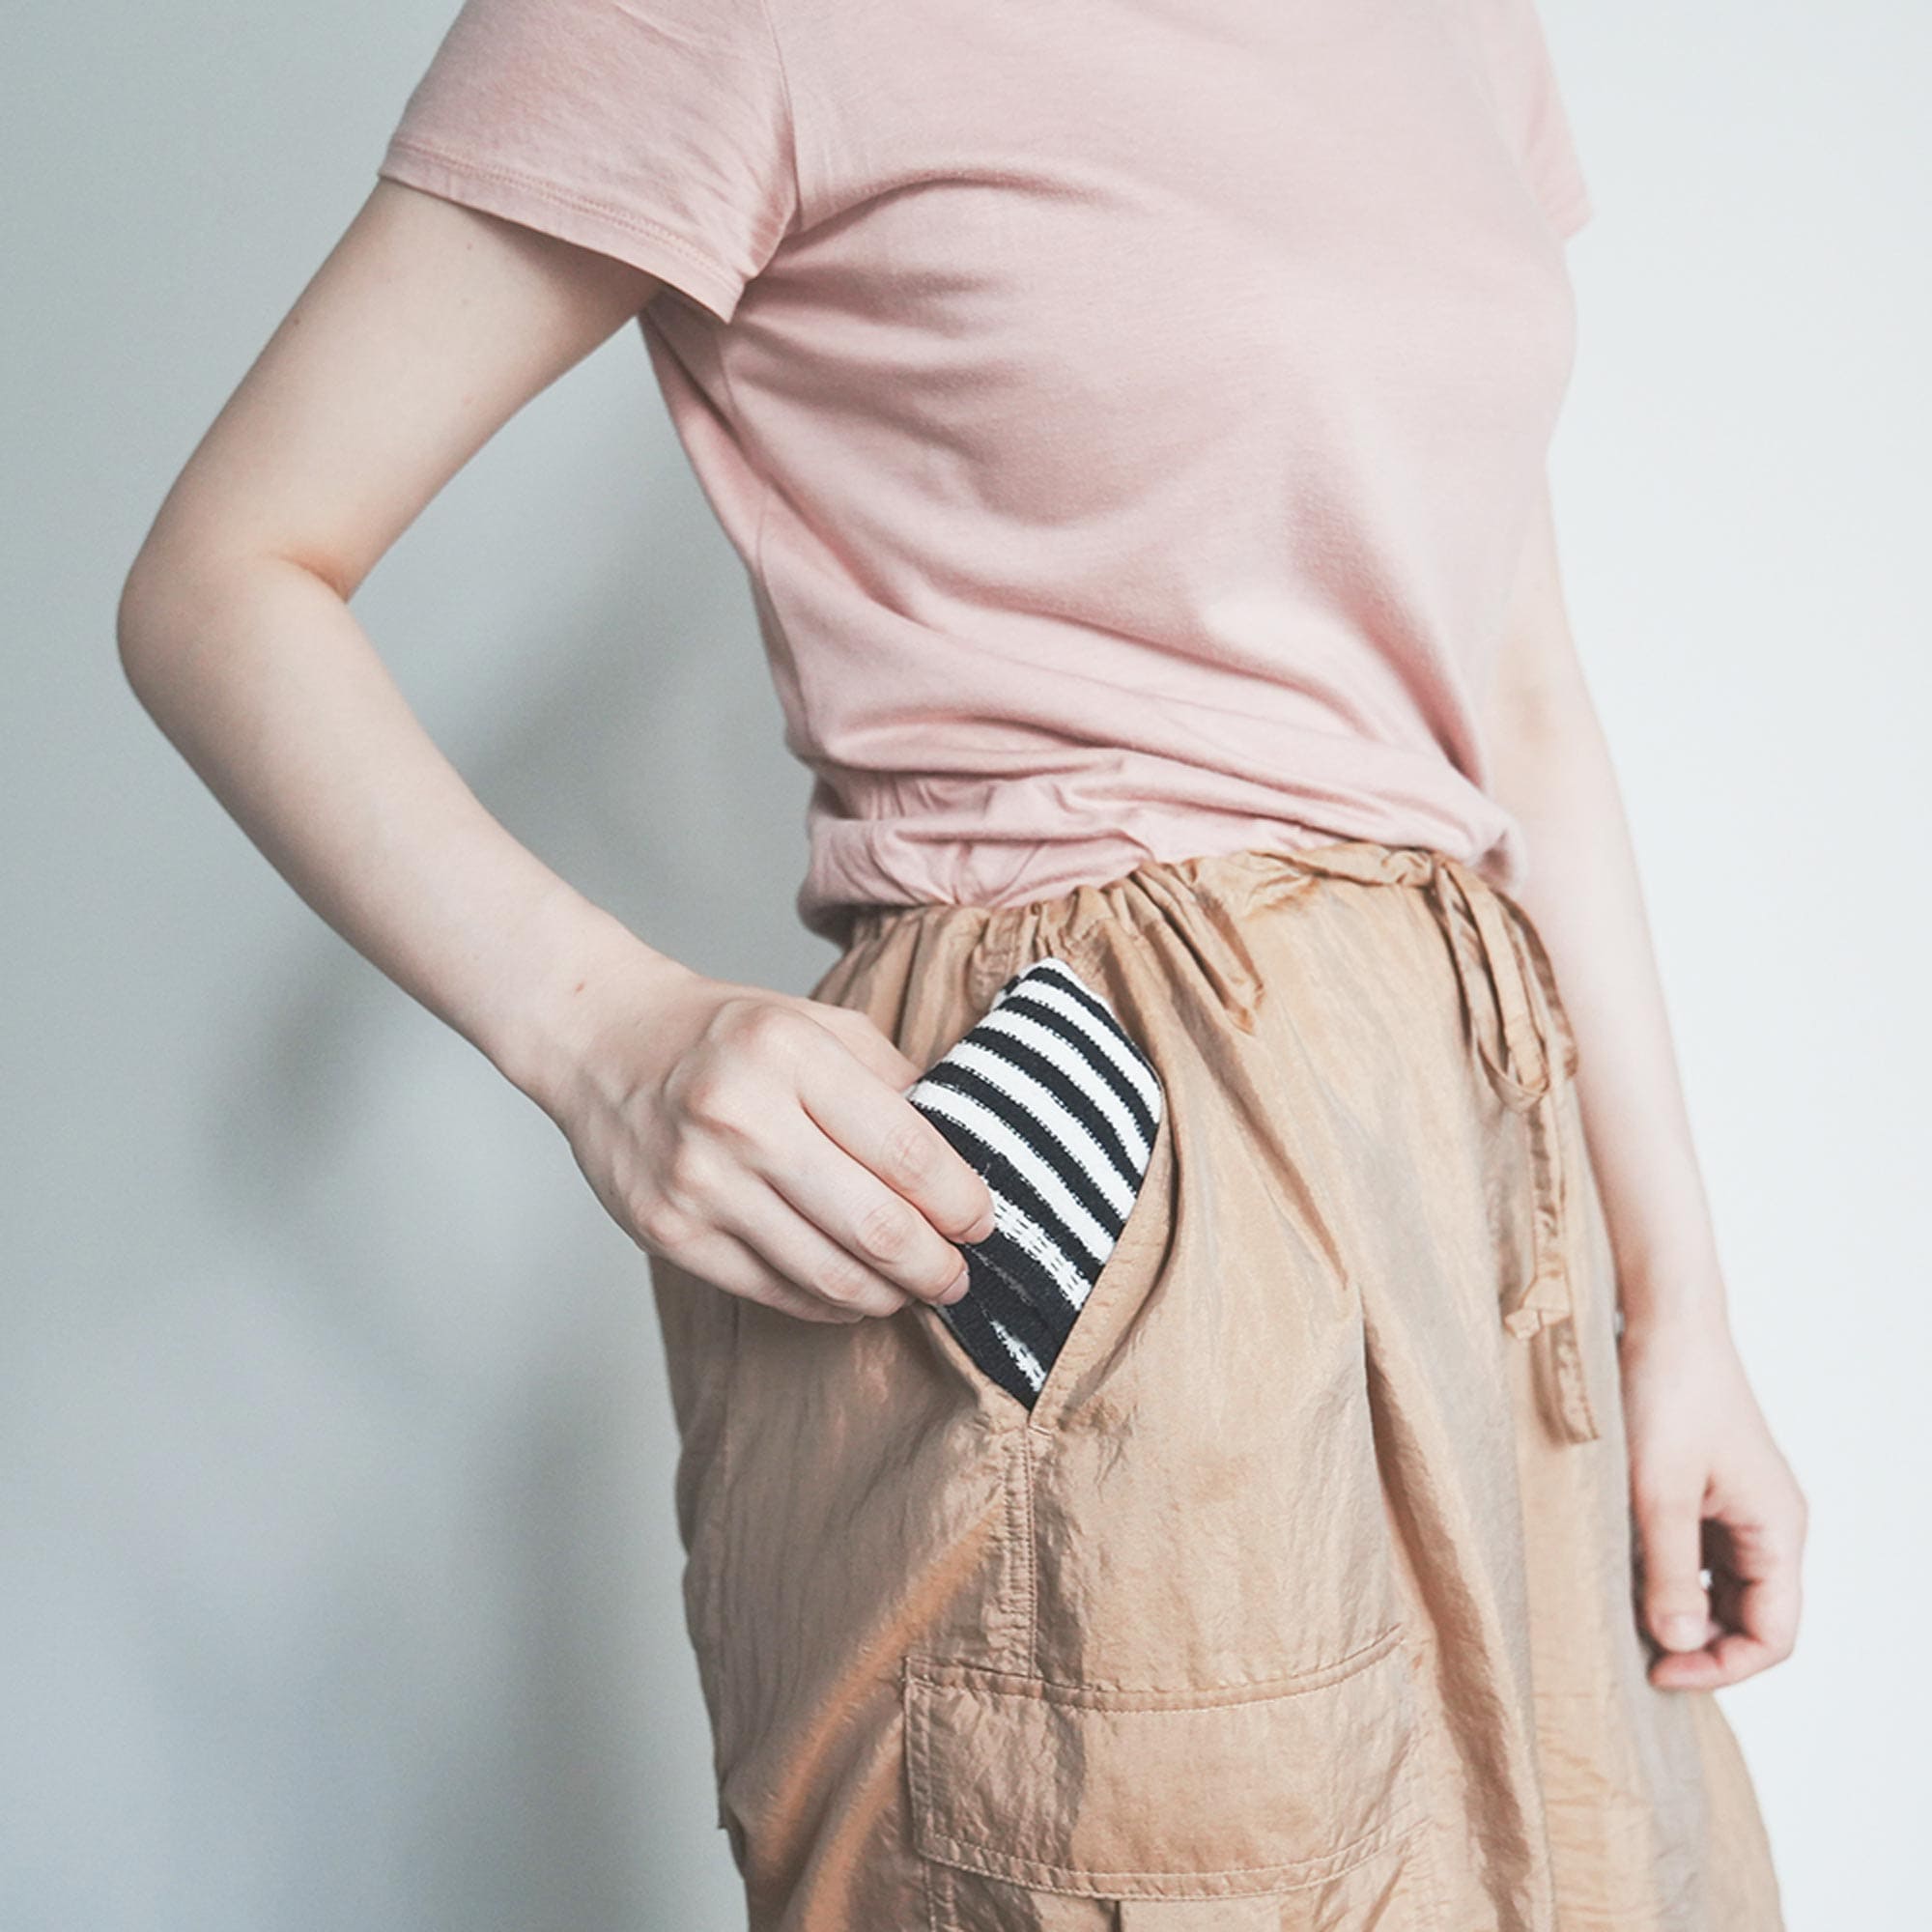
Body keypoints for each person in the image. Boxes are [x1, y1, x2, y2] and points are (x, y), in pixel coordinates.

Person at [116, 0, 1804, 1923]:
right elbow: (228, 570)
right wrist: (604, 1034)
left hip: (1486, 1198)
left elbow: (1517, 692)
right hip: (1107, 1164)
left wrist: (1681, 1315)